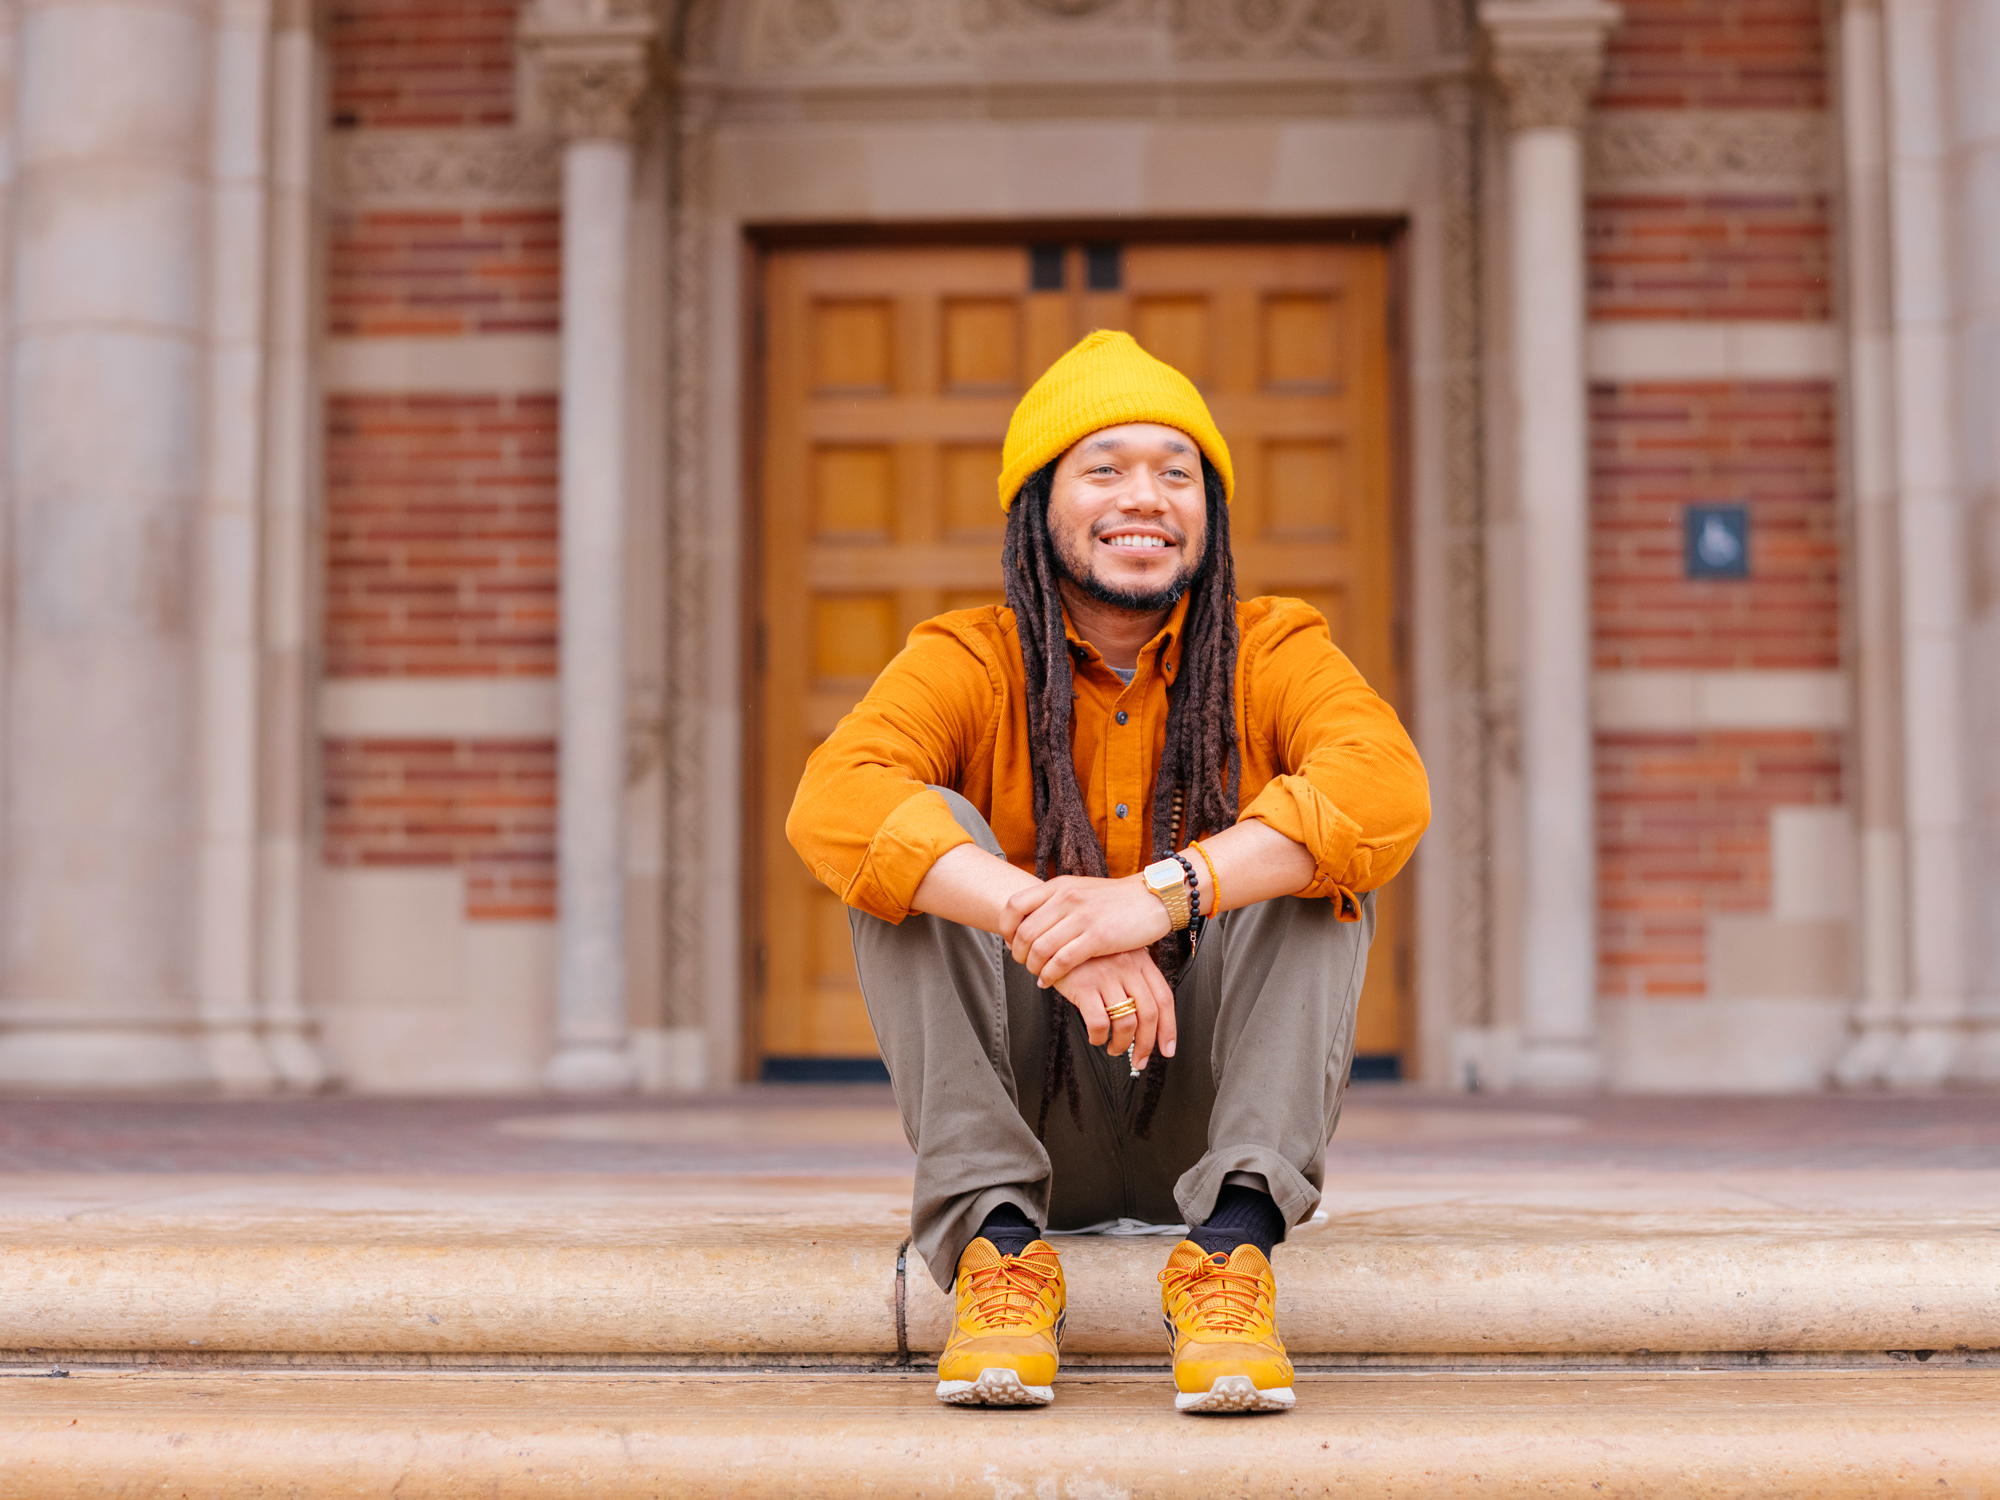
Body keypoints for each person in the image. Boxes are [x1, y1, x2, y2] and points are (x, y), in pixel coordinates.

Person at [787, 330, 1429, 1413]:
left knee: (1317, 856)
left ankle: (1229, 1253)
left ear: (1207, 514)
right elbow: (833, 801)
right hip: (1033, 1106)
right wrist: (1052, 922)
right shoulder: (966, 657)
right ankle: (997, 1254)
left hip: (1210, 1100)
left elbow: (1385, 789)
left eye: (1176, 473)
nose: (1147, 496)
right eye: (1105, 469)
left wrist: (1154, 894)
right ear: (1039, 505)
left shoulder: (1273, 649)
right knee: (912, 837)